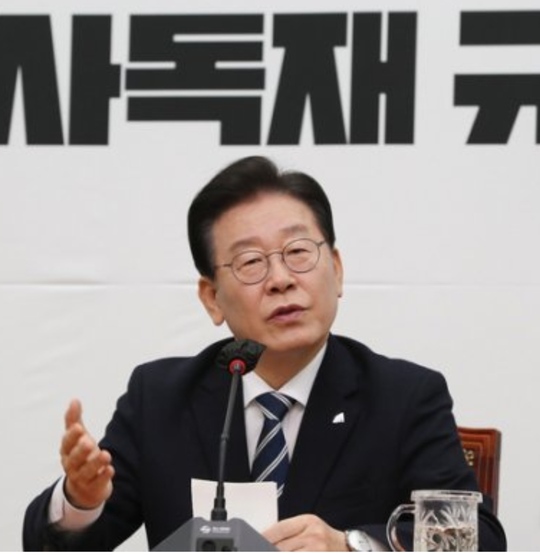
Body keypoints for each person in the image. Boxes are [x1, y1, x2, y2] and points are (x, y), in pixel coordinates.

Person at [23, 156, 506, 551]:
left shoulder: (404, 397)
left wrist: (352, 545)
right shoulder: (160, 398)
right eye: (251, 262)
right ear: (211, 298)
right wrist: (81, 500)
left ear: (337, 270)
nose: (281, 279)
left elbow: (478, 539)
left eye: (298, 252)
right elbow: (53, 545)